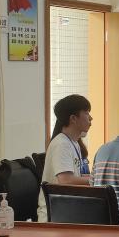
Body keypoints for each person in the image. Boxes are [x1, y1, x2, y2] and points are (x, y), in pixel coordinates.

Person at [39, 94, 93, 222]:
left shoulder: (74, 143)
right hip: (56, 216)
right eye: (86, 113)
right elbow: (66, 180)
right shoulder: (62, 144)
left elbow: (77, 176)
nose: (91, 118)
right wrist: (95, 180)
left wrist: (99, 177)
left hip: (67, 210)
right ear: (73, 118)